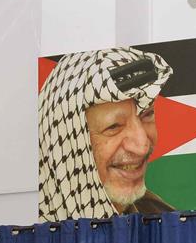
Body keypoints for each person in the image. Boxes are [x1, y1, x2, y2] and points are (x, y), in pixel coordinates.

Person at [39, 47, 176, 222]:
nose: (142, 146)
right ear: (65, 144)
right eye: (114, 127)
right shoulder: (40, 242)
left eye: (146, 115)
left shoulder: (162, 220)